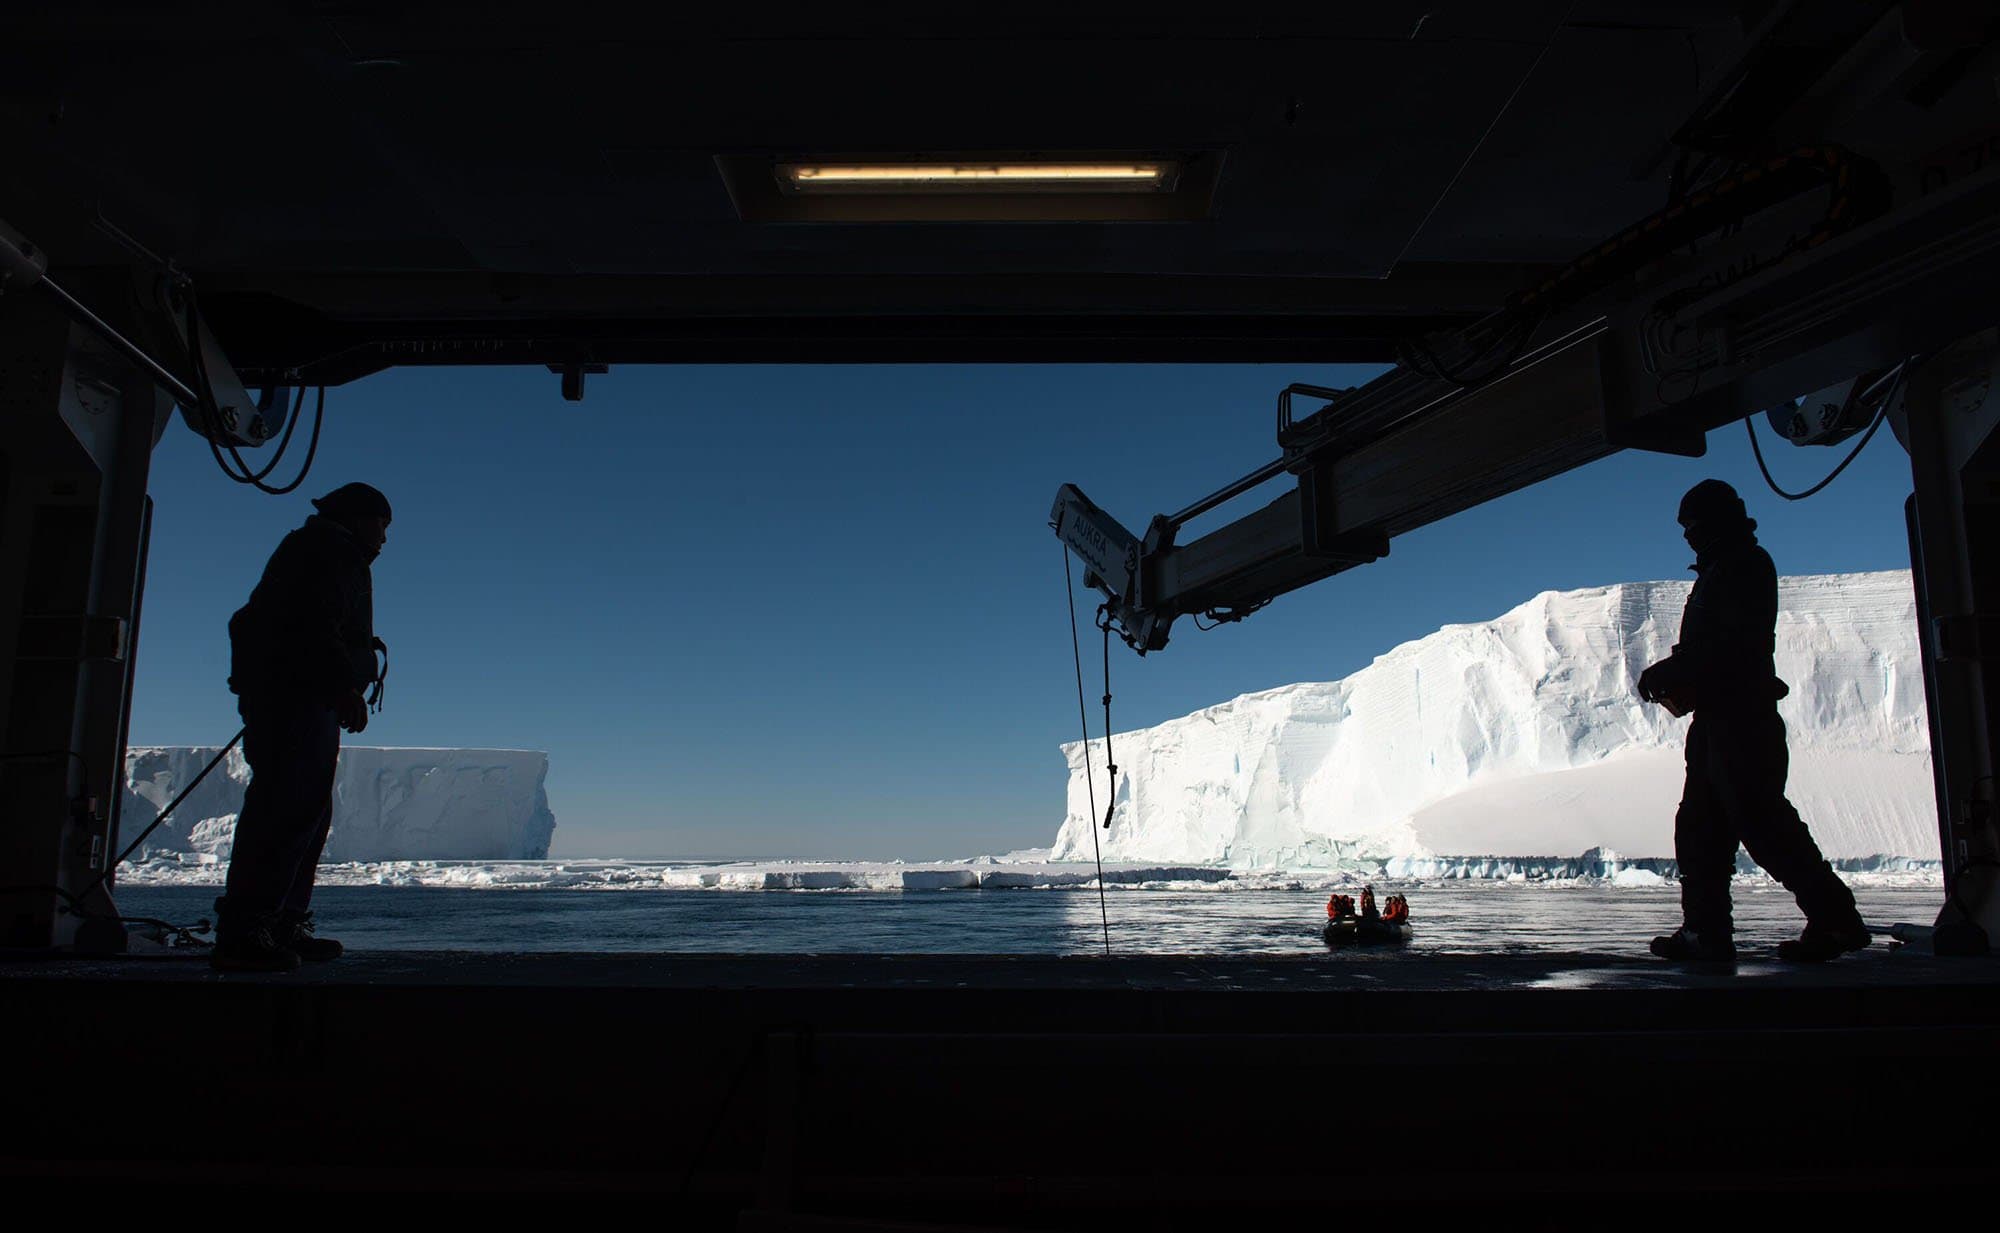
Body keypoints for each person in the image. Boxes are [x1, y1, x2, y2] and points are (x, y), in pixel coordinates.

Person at [1637, 479, 1870, 963]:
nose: (1688, 536)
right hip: (1719, 719)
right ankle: (1705, 932)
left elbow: (1730, 647)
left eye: (1693, 525)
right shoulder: (1724, 569)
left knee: (1762, 823)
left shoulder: (1743, 567)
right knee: (1702, 827)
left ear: (1716, 521)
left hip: (1742, 720)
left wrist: (1674, 670)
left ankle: (1836, 920)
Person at [211, 483, 391, 972]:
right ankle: (248, 931)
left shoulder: (321, 551)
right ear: (356, 518)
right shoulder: (324, 554)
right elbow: (312, 625)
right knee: (286, 810)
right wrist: (342, 688)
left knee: (304, 814)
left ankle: (279, 923)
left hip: (301, 698)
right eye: (381, 523)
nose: (384, 537)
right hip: (298, 699)